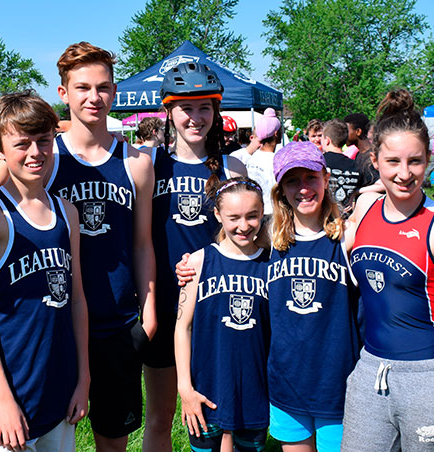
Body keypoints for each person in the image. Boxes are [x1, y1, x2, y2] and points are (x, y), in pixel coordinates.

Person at [342, 89, 434, 451]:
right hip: (369, 373)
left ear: (429, 162)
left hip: (429, 378)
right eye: (393, 161)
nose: (405, 174)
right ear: (374, 160)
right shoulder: (364, 207)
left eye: (416, 162)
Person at [43, 42, 157, 452]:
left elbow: (142, 244)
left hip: (117, 321)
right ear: (63, 93)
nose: (94, 97)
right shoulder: (45, 158)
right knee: (55, 436)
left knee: (113, 438)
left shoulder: (136, 162)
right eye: (83, 87)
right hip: (55, 323)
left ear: (115, 91)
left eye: (104, 87)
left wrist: (150, 314)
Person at [0, 92, 90, 452]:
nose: (35, 152)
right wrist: (2, 398)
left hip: (59, 384)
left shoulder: (67, 212)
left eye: (43, 141)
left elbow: (77, 299)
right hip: (10, 396)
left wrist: (83, 377)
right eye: (22, 144)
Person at [146, 62, 246, 452]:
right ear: (169, 112)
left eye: (205, 107)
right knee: (160, 415)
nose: (196, 117)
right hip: (166, 302)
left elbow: (248, 236)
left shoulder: (231, 166)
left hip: (215, 302)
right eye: (187, 108)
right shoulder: (148, 164)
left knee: (221, 417)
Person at [267, 141, 362, 452]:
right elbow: (224, 253)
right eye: (292, 180)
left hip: (337, 385)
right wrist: (192, 263)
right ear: (280, 190)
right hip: (287, 382)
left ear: (326, 179)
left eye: (310, 177)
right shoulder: (269, 239)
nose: (303, 188)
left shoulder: (348, 237)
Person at [174, 178, 271, 452]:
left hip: (255, 390)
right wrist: (185, 387)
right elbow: (183, 328)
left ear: (262, 212)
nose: (243, 226)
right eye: (233, 217)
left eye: (252, 216)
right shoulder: (198, 261)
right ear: (217, 215)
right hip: (206, 388)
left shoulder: (271, 262)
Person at [321, 119, 364, 213]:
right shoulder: (356, 165)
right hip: (348, 219)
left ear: (327, 140)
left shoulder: (320, 163)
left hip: (324, 217)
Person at [247, 108, 282, 215]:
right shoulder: (277, 160)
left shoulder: (252, 157)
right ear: (276, 133)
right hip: (272, 213)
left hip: (254, 211)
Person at [344, 113, 378, 185]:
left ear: (358, 132)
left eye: (347, 131)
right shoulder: (359, 155)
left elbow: (379, 185)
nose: (344, 135)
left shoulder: (371, 158)